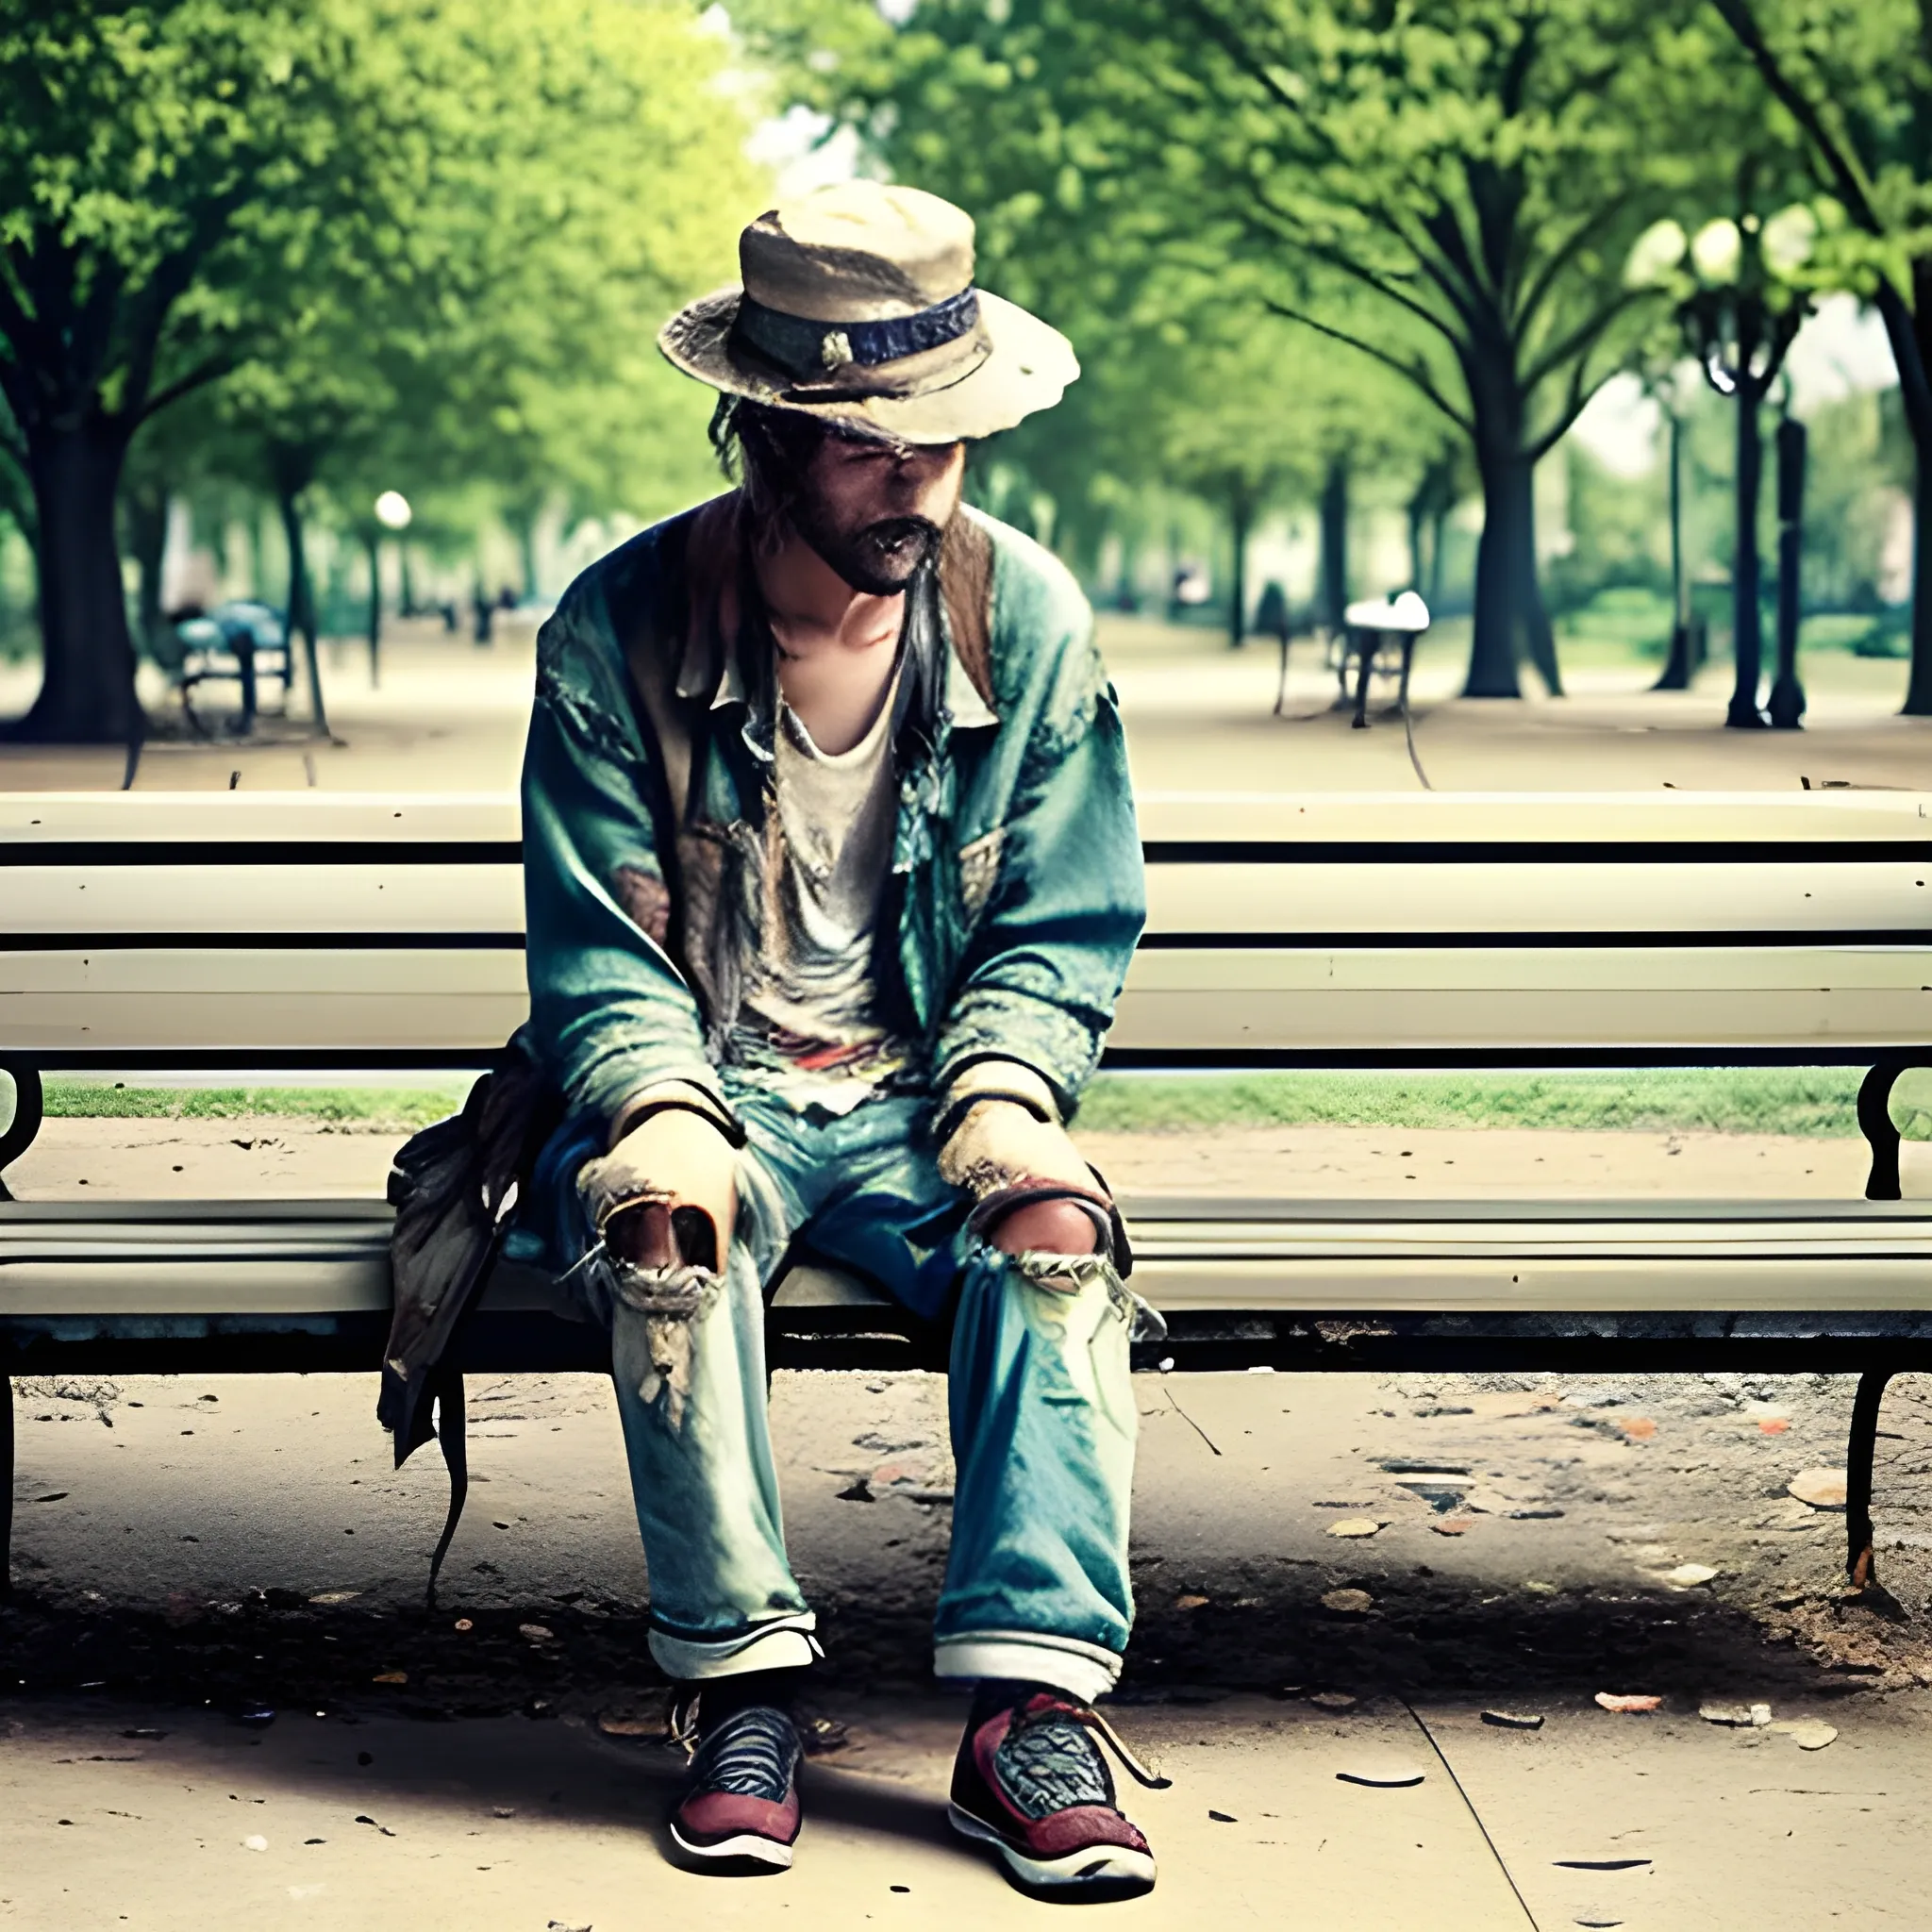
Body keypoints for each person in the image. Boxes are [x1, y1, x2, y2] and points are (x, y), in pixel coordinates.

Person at [518, 180, 1158, 1898]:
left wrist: (1008, 1088)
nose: (922, 480)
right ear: (774, 434)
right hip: (707, 1080)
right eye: (878, 447)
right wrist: (652, 1103)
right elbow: (599, 933)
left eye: (947, 442)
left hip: (931, 1095)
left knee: (1054, 1238)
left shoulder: (1025, 622)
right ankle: (741, 1688)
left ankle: (1023, 1718)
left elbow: (1065, 918)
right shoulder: (620, 627)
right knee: (667, 1229)